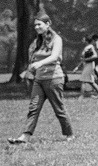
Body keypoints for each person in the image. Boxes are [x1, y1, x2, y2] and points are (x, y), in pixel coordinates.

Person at [7, 14, 74, 144]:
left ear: (48, 24)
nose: (36, 27)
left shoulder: (57, 39)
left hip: (53, 78)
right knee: (34, 108)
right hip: (39, 79)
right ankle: (25, 136)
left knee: (58, 108)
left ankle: (69, 134)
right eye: (35, 25)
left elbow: (55, 56)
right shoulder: (37, 41)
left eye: (39, 24)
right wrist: (30, 69)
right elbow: (33, 57)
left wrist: (40, 63)